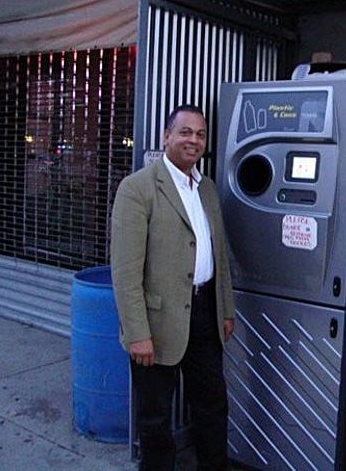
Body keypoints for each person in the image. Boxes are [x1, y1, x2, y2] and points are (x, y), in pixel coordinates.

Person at [110, 104, 235, 470]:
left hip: (205, 314)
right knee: (155, 419)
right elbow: (125, 271)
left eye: (199, 134)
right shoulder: (138, 189)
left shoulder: (207, 188)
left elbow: (219, 254)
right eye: (185, 132)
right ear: (166, 137)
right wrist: (137, 333)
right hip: (156, 321)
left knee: (213, 406)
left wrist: (225, 310)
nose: (193, 141)